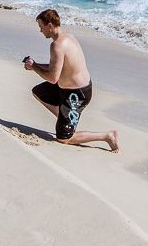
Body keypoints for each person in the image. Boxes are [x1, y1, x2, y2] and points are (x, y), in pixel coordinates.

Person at [24, 9, 120, 152]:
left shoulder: (56, 45)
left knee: (63, 138)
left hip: (77, 95)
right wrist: (35, 65)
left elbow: (52, 78)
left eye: (41, 27)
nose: (40, 31)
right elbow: (57, 67)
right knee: (39, 92)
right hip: (66, 89)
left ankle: (107, 135)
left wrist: (34, 67)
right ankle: (65, 117)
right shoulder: (68, 37)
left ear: (49, 26)